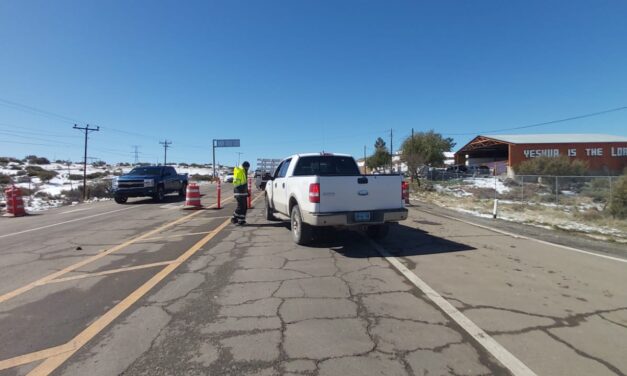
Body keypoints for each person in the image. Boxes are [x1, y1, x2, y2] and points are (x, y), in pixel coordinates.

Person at [231, 161, 250, 225]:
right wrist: (241, 188)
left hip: (243, 192)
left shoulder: (244, 172)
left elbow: (244, 182)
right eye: (247, 167)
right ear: (245, 167)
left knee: (244, 207)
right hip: (239, 192)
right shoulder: (240, 171)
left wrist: (247, 191)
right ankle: (234, 218)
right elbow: (236, 182)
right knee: (241, 207)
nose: (248, 169)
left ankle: (241, 220)